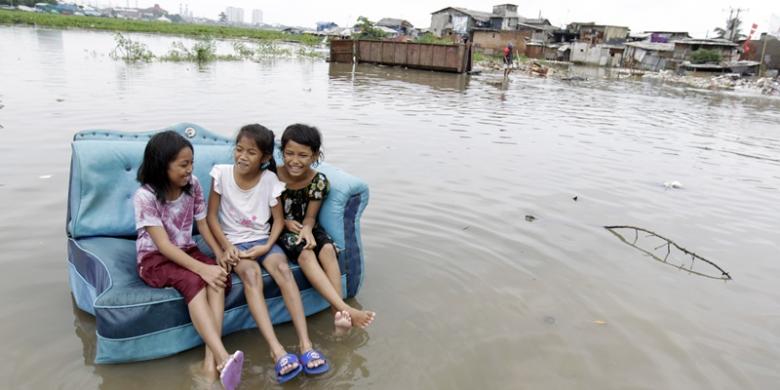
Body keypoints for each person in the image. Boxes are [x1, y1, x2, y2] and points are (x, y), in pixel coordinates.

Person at [206, 124, 328, 383]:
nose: (242, 156)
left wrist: (265, 245)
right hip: (235, 243)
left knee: (283, 270)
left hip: (263, 239)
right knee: (251, 275)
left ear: (265, 158)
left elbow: (278, 220)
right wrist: (226, 248)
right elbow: (211, 219)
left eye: (251, 152)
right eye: (239, 149)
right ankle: (277, 350)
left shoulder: (271, 180)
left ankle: (305, 345)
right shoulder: (221, 175)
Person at [133, 131, 243, 390]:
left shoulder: (192, 184)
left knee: (218, 278)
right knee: (194, 279)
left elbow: (202, 223)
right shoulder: (145, 197)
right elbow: (162, 245)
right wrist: (201, 269)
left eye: (191, 163)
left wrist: (217, 254)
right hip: (154, 259)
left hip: (186, 249)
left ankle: (209, 365)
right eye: (183, 165)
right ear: (162, 165)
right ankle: (224, 356)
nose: (190, 170)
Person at [276, 124, 376, 336]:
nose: (295, 160)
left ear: (314, 156)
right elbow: (264, 211)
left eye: (303, 155)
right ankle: (344, 308)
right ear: (282, 152)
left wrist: (308, 230)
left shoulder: (318, 181)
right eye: (289, 153)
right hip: (279, 227)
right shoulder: (272, 177)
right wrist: (285, 223)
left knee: (329, 250)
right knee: (305, 254)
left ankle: (338, 317)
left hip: (307, 226)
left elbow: (311, 216)